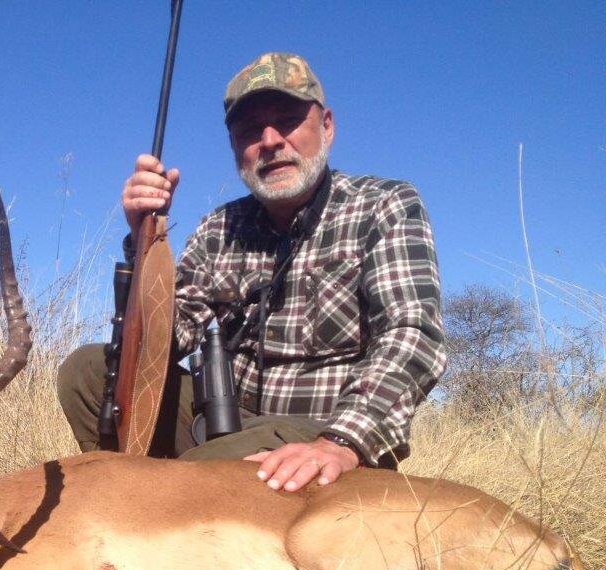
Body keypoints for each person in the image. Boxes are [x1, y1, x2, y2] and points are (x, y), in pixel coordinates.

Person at [58, 52, 446, 492]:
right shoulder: (219, 228)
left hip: (321, 433)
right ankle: (144, 495)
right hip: (225, 424)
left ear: (328, 126)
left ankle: (142, 502)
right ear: (234, 147)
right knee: (88, 371)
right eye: (249, 130)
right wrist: (146, 241)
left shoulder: (384, 204)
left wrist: (339, 441)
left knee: (199, 472)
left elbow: (412, 334)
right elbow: (163, 341)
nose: (270, 140)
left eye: (287, 120)